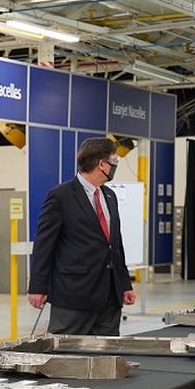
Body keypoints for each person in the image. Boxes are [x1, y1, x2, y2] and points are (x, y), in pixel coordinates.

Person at [28, 137, 136, 335]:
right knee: (66, 354)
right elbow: (44, 245)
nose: (115, 165)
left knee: (107, 354)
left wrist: (125, 284)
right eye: (114, 160)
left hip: (110, 295)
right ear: (101, 164)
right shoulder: (60, 196)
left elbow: (115, 245)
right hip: (73, 294)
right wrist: (37, 286)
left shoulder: (110, 196)